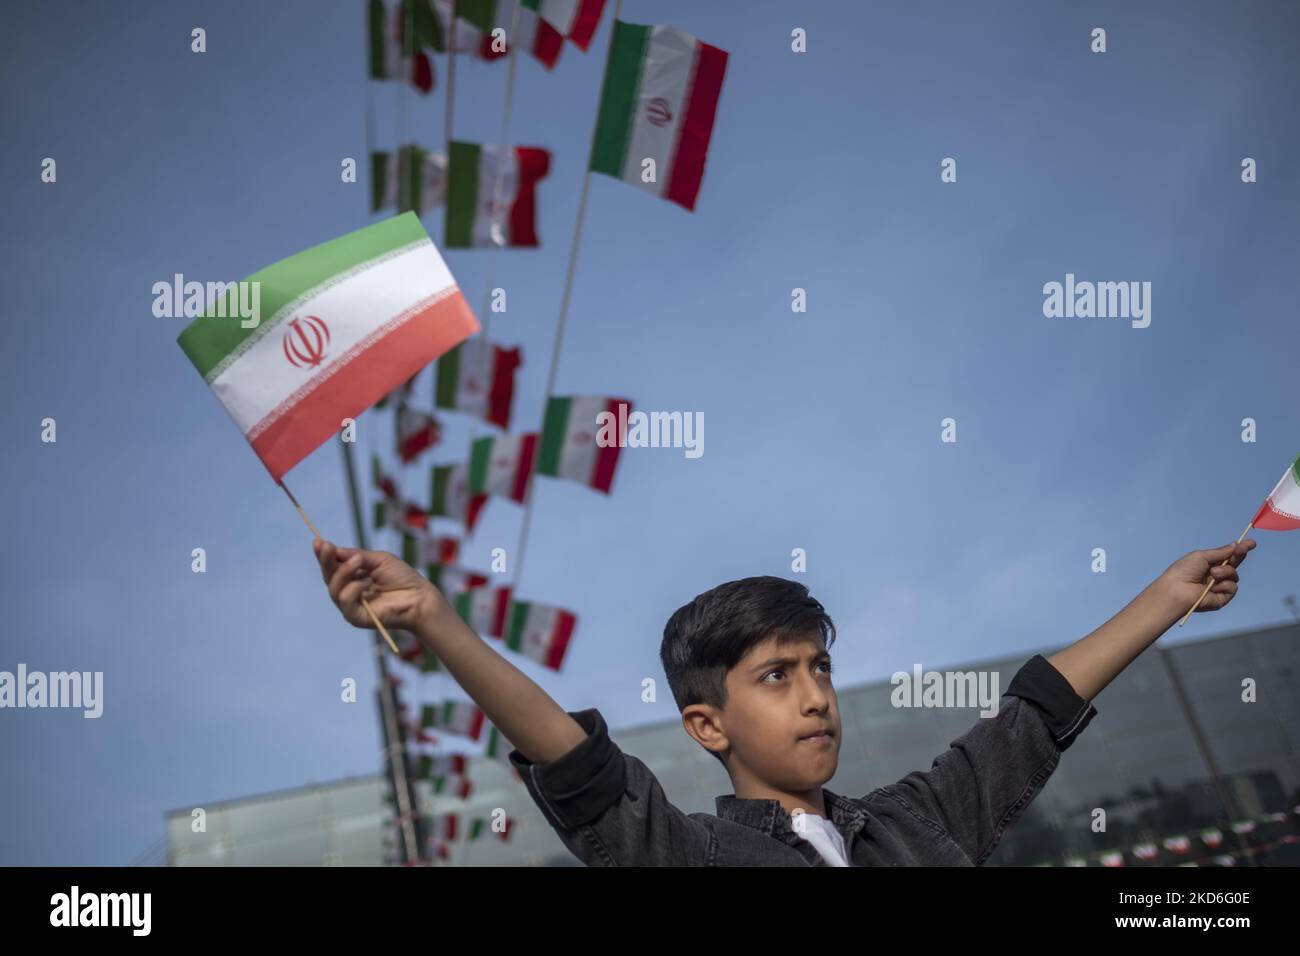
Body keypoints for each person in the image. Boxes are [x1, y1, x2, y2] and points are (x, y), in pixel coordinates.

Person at [312, 536, 1255, 866]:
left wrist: (1168, 598)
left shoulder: (916, 823)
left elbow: (1032, 717)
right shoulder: (690, 854)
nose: (815, 698)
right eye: (777, 676)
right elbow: (578, 766)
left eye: (820, 670)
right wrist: (435, 617)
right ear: (706, 724)